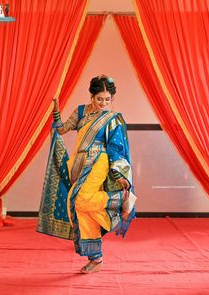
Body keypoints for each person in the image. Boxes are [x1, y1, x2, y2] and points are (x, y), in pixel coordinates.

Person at [37, 75, 136, 274]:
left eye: (108, 100)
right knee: (83, 210)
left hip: (99, 162)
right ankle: (96, 258)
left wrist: (120, 175)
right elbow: (62, 130)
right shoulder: (81, 111)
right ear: (92, 97)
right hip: (79, 164)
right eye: (100, 99)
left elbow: (116, 149)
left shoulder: (111, 119)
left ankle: (116, 199)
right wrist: (56, 111)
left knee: (79, 200)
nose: (104, 103)